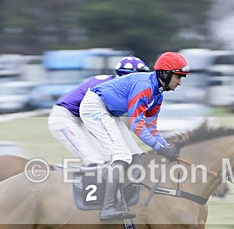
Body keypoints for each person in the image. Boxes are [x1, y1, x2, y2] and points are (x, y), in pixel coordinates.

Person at [79, 51, 189, 220]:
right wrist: (160, 148)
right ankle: (108, 207)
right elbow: (137, 127)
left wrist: (167, 147)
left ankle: (121, 199)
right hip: (94, 107)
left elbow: (151, 127)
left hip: (109, 112)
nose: (180, 82)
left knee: (137, 158)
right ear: (165, 73)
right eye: (179, 77)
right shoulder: (145, 87)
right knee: (122, 156)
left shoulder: (157, 94)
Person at [48, 56, 150, 166]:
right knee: (94, 160)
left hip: (81, 121)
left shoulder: (118, 86)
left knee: (106, 159)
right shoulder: (110, 87)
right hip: (64, 118)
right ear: (125, 75)